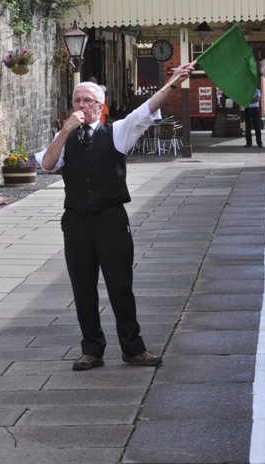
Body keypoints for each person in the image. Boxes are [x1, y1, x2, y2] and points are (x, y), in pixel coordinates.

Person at [39, 64, 195, 371]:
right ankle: (92, 349)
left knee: (120, 285)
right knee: (82, 287)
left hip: (111, 219)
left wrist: (173, 82)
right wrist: (66, 129)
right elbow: (47, 164)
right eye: (77, 101)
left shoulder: (117, 132)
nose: (82, 106)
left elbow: (145, 110)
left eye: (88, 101)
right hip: (77, 221)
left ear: (100, 107)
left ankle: (133, 348)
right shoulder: (65, 135)